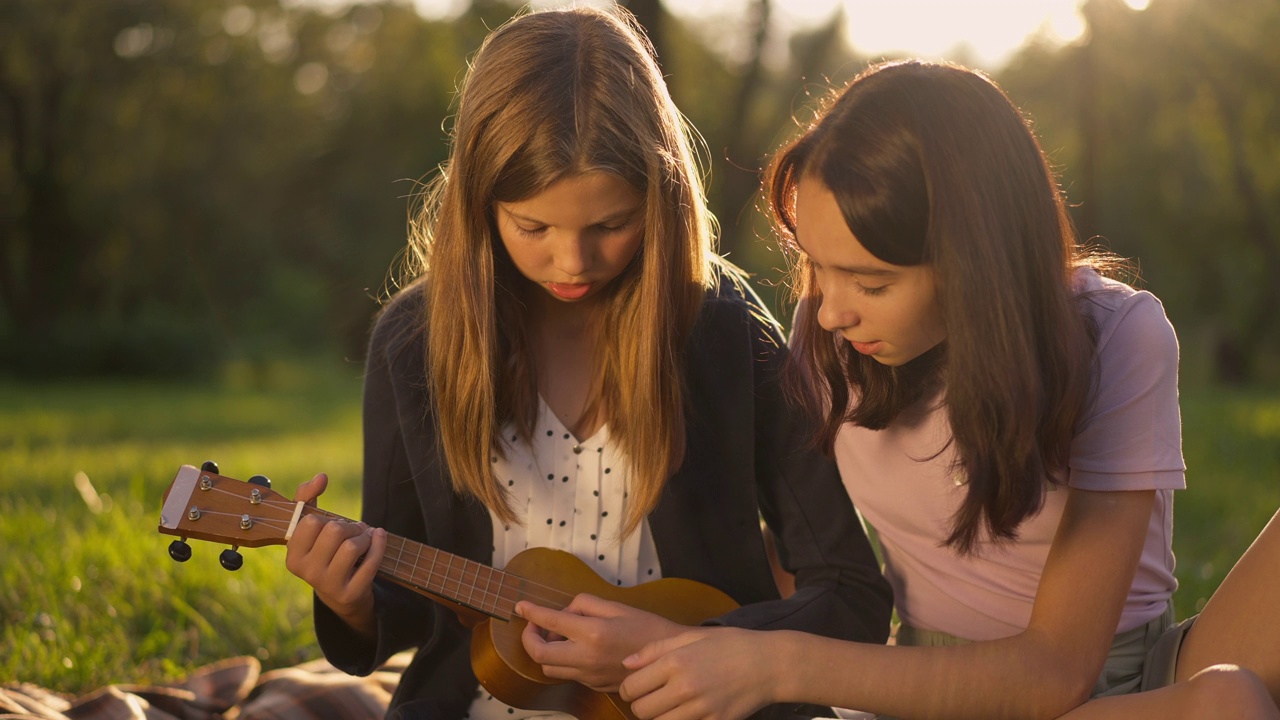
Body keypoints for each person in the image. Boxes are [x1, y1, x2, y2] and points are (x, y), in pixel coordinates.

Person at [613, 59, 1280, 719]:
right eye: (816, 267)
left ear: (975, 263)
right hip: (935, 689)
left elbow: (1055, 672)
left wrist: (777, 665)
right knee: (1225, 705)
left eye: (871, 283)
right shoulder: (829, 338)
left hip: (1112, 677)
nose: (830, 312)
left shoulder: (1115, 336)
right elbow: (803, 556)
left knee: (1222, 697)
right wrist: (673, 628)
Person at [282, 7, 893, 720]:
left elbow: (850, 591)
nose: (573, 261)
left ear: (662, 200)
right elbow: (411, 611)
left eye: (611, 224)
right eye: (533, 227)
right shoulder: (413, 343)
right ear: (479, 205)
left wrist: (695, 648)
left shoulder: (723, 330)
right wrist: (350, 598)